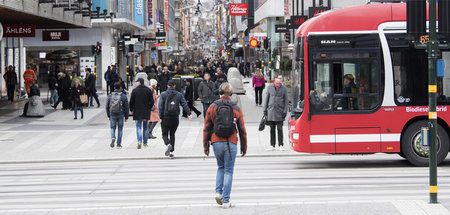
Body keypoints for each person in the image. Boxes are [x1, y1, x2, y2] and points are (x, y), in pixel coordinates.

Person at [203, 82, 247, 208]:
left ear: (220, 92)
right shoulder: (236, 108)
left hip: (216, 142)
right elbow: (242, 129)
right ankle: (226, 201)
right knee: (229, 171)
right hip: (231, 142)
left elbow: (206, 127)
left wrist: (206, 146)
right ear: (231, 94)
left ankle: (218, 192)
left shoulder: (212, 106)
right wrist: (244, 147)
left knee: (220, 168)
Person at [158, 79, 192, 159]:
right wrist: (189, 113)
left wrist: (160, 117)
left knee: (164, 134)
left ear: (167, 85)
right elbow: (184, 104)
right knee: (172, 134)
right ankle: (171, 152)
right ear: (175, 86)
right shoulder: (179, 94)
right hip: (175, 117)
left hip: (166, 117)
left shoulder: (163, 94)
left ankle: (168, 144)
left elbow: (160, 106)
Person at [263, 74, 289, 151]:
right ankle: (272, 145)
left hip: (280, 112)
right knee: (272, 129)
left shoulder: (284, 88)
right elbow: (267, 99)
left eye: (281, 78)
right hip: (271, 111)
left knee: (280, 129)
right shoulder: (270, 87)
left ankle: (281, 144)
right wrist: (265, 110)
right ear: (275, 79)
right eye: (279, 78)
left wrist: (285, 111)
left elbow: (286, 101)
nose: (281, 80)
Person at [129, 78, 154, 149]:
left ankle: (139, 141)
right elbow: (152, 101)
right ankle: (145, 143)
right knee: (145, 127)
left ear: (139, 82)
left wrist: (131, 109)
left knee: (138, 127)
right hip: (146, 111)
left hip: (137, 111)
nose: (136, 83)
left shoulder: (135, 91)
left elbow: (131, 102)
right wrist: (149, 108)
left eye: (137, 82)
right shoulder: (148, 90)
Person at [106, 82, 129, 148]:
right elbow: (126, 107)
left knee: (112, 128)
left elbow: (107, 106)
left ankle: (113, 137)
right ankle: (118, 144)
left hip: (112, 113)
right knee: (120, 129)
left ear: (114, 87)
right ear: (120, 88)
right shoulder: (123, 96)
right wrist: (126, 116)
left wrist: (108, 115)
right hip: (121, 113)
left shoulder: (110, 96)